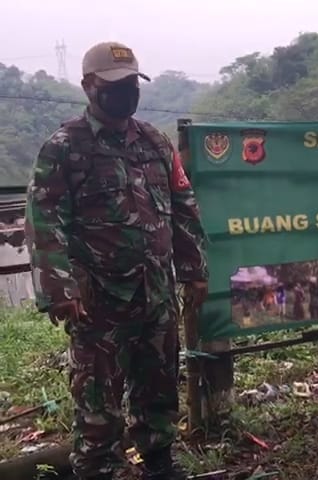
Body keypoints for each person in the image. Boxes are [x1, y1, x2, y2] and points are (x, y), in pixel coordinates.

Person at [24, 42, 208, 480]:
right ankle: (99, 469)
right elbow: (43, 222)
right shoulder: (65, 148)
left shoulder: (154, 142)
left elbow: (183, 206)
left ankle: (159, 461)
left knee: (159, 383)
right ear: (89, 86)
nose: (125, 92)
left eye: (130, 83)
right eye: (114, 85)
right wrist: (60, 290)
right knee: (97, 398)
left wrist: (195, 270)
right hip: (97, 299)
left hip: (156, 291)